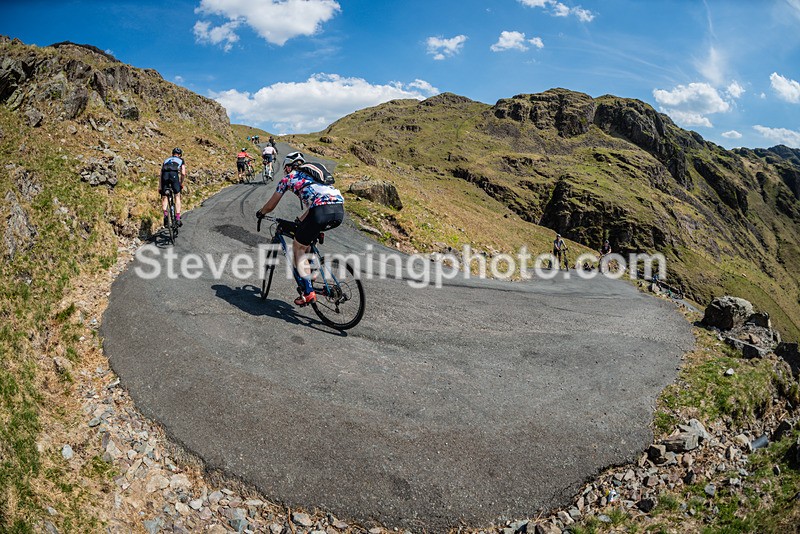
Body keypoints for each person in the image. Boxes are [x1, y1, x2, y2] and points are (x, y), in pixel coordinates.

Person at [256, 151, 344, 306]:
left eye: (285, 168)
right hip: (338, 210)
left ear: (289, 167)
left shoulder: (289, 178)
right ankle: (312, 272)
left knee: (298, 248)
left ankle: (308, 292)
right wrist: (299, 221)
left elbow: (271, 205)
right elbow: (314, 206)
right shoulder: (315, 177)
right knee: (307, 237)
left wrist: (261, 212)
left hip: (320, 211)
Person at [160, 147, 186, 227]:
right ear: (180, 155)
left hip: (164, 176)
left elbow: (160, 174)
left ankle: (165, 215)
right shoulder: (181, 160)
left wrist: (160, 187)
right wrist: (180, 183)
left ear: (172, 154)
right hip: (174, 176)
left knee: (164, 197)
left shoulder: (166, 160)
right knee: (177, 196)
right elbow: (183, 173)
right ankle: (177, 218)